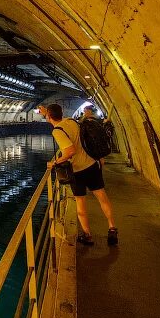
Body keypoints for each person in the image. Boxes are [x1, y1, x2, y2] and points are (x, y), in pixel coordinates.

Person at [40, 103, 118, 246]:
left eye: (47, 115)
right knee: (102, 197)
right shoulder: (71, 121)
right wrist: (46, 111)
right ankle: (112, 228)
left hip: (77, 171)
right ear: (61, 113)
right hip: (91, 164)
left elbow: (70, 151)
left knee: (81, 203)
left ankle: (87, 235)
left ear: (49, 117)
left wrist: (56, 162)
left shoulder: (57, 131)